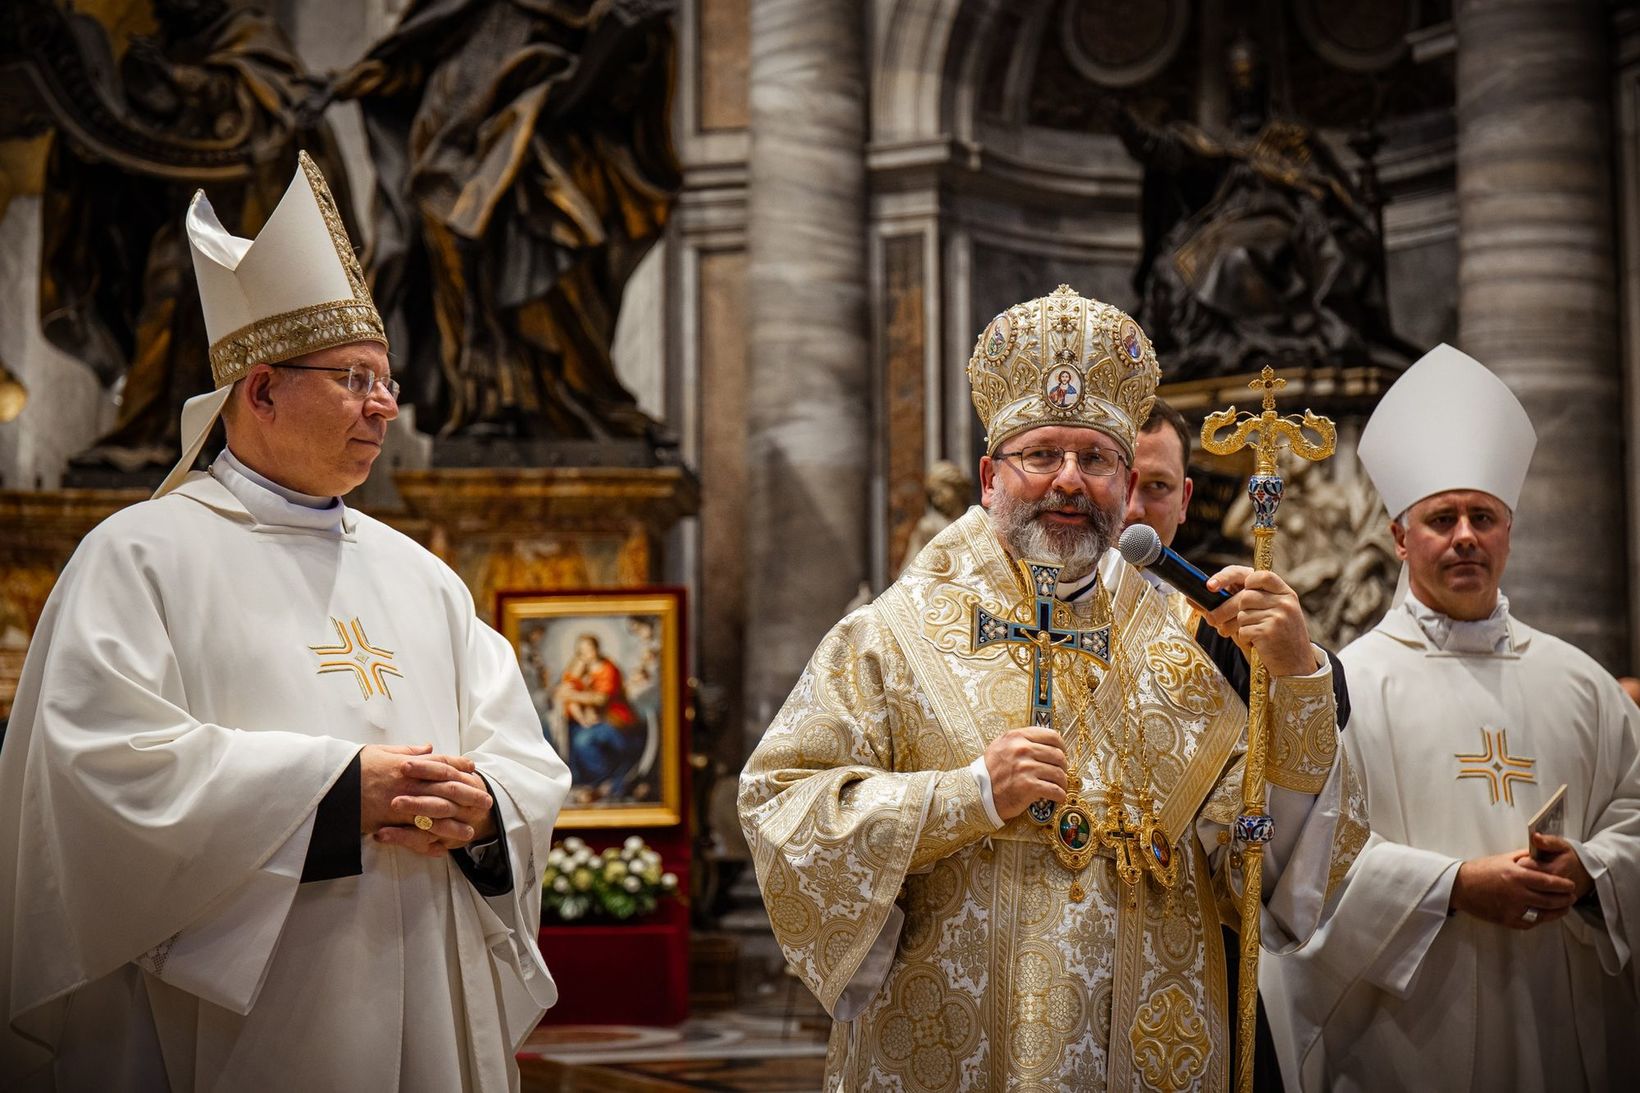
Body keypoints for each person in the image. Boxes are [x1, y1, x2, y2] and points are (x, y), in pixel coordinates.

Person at [0, 153, 571, 1091]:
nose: (384, 404)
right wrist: (340, 791)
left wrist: (487, 811)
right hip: (237, 1015)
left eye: (386, 381)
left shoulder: (424, 580)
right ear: (259, 391)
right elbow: (97, 777)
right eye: (354, 378)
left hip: (425, 975)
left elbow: (522, 760)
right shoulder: (140, 555)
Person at [739, 284, 1367, 1091]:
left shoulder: (1179, 645)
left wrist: (1300, 680)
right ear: (990, 475)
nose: (1070, 480)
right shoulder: (891, 637)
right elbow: (779, 806)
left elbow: (1268, 869)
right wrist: (967, 795)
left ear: (1125, 481)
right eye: (1042, 455)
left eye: (1097, 459)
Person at [1261, 344, 1640, 1091]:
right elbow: (1307, 869)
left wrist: (1594, 873)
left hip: (1562, 1023)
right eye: (1442, 517)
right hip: (1408, 1041)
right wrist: (1455, 886)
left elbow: (1635, 810)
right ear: (1401, 538)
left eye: (1484, 516)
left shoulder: (1586, 685)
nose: (1466, 534)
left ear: (1509, 531)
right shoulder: (1346, 687)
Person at [1122, 397, 1353, 1093]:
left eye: (1156, 486)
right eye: (1117, 475)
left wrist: (1294, 658)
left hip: (1195, 969)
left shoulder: (1215, 622)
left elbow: (1319, 726)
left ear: (1185, 499)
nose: (1133, 506)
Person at [556, 634, 646, 801]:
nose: (585, 654)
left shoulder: (608, 668)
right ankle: (585, 782)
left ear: (596, 649)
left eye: (588, 649)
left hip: (617, 721)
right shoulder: (583, 669)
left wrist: (572, 695)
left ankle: (605, 781)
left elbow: (601, 698)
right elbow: (564, 688)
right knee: (568, 734)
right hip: (595, 720)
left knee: (583, 741)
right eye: (581, 651)